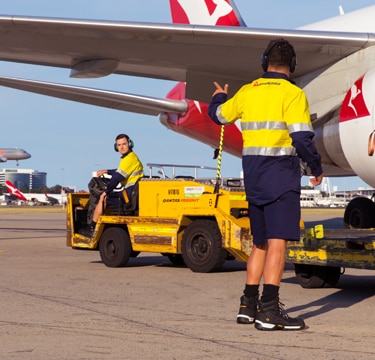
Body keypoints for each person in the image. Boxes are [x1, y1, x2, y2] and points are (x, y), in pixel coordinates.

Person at [208, 39, 323, 331]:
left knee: (259, 243)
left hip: (254, 178)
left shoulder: (248, 91)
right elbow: (301, 138)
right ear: (292, 65)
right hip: (281, 179)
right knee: (277, 244)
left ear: (264, 62)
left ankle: (248, 305)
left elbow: (219, 116)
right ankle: (270, 311)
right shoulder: (293, 94)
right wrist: (316, 166)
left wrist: (219, 97)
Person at [82, 133, 144, 237]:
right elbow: (119, 171)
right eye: (119, 145)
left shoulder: (129, 159)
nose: (122, 147)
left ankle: (92, 228)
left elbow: (116, 178)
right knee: (106, 194)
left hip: (128, 196)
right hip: (130, 193)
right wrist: (106, 171)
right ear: (116, 147)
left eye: (124, 144)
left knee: (103, 198)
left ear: (130, 144)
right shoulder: (130, 158)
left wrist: (106, 192)